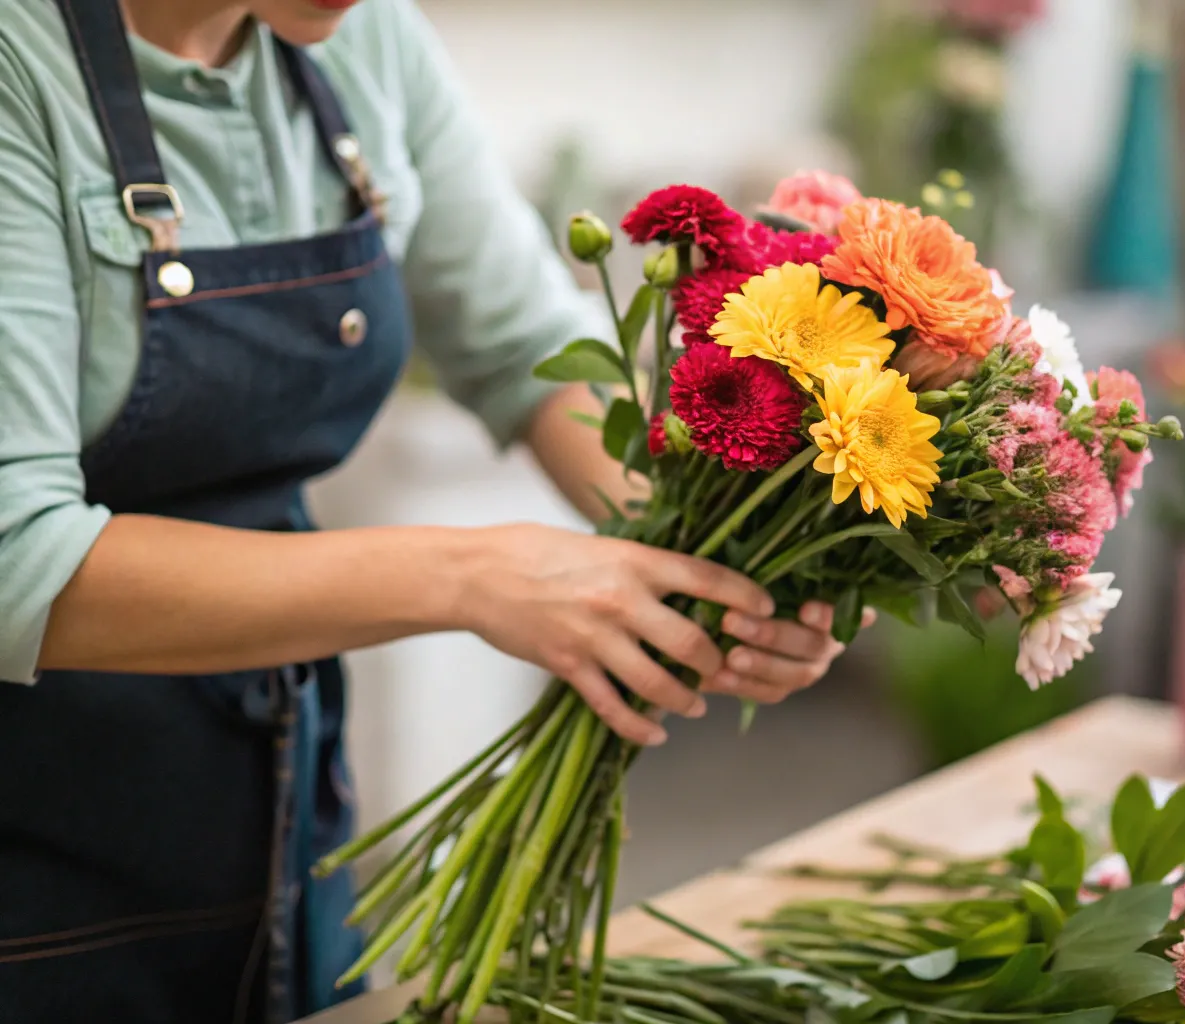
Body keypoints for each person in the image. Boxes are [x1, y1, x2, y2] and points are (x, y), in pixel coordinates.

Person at [0, 1, 866, 1021]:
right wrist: (469, 576)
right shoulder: (22, 65)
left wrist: (709, 565)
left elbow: (531, 354)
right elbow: (21, 559)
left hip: (279, 789)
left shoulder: (366, 42)